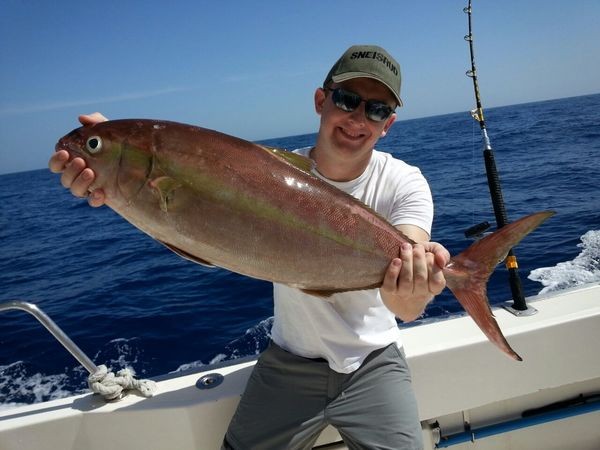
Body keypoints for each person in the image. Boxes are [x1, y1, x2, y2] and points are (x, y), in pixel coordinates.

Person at [50, 45, 450, 450]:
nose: (358, 119)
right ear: (320, 100)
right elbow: (199, 205)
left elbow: (406, 307)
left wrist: (418, 278)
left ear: (388, 124)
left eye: (377, 110)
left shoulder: (404, 183)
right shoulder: (270, 172)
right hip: (289, 362)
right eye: (347, 100)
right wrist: (109, 150)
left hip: (374, 362)